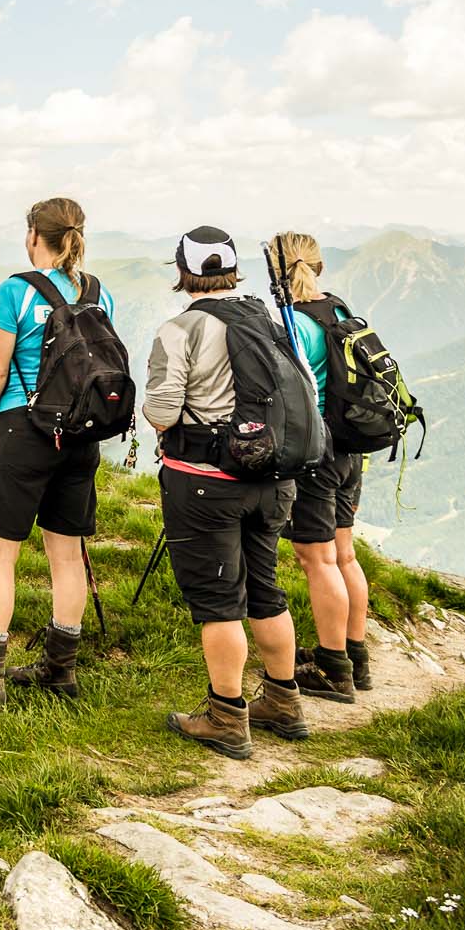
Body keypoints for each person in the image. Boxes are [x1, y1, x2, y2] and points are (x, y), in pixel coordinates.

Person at [0, 197, 110, 706]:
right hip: (79, 436)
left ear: (34, 236)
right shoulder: (98, 293)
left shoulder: (16, 291)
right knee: (67, 553)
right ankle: (60, 668)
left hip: (23, 431)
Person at [140, 226, 309, 758]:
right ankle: (283, 702)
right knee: (265, 590)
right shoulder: (267, 319)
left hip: (206, 483)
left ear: (182, 270)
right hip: (274, 479)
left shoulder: (180, 329)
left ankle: (226, 718)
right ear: (233, 269)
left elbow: (163, 411)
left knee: (219, 604)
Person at [270, 232, 373, 697]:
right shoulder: (338, 310)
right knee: (344, 554)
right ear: (319, 267)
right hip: (351, 448)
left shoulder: (291, 323)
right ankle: (355, 657)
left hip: (318, 453)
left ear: (277, 273)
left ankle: (333, 670)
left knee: (317, 559)